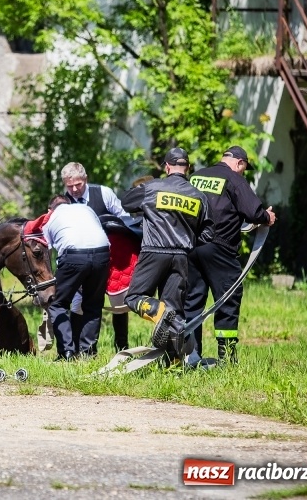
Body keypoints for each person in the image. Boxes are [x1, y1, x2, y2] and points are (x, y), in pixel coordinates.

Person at [121, 147, 214, 360]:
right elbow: (208, 233)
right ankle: (173, 364)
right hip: (181, 256)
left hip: (154, 251)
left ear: (167, 166)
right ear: (188, 168)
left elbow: (126, 202)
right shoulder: (198, 196)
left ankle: (157, 311)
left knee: (134, 297)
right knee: (176, 313)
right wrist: (188, 239)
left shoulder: (153, 187)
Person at [186, 145, 276, 364]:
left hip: (191, 247)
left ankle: (191, 354)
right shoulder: (234, 179)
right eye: (244, 168)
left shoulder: (196, 177)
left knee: (192, 301)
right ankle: (226, 358)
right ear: (240, 163)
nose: (243, 171)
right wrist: (267, 217)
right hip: (220, 248)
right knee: (228, 300)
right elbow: (253, 211)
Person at [38, 162, 137, 353]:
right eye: (69, 186)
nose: (74, 190)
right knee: (78, 303)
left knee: (118, 302)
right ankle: (80, 349)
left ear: (86, 179)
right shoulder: (62, 203)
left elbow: (125, 219)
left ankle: (121, 345)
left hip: (112, 255)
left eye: (78, 185)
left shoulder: (104, 194)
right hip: (80, 257)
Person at [43, 195, 111, 360]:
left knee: (57, 303)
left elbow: (46, 255)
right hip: (102, 253)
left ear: (49, 210)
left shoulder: (51, 218)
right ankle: (87, 353)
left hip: (73, 256)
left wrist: (48, 284)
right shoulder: (86, 208)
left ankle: (67, 351)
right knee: (93, 305)